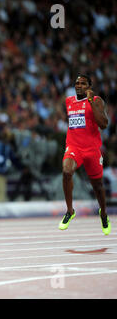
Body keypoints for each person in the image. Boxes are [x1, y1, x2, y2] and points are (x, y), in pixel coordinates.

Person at [59, 75, 110, 235]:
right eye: (77, 83)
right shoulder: (68, 102)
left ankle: (103, 214)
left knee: (97, 186)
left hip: (92, 149)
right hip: (74, 146)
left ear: (89, 86)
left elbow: (103, 124)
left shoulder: (96, 100)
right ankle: (69, 211)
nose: (79, 86)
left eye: (83, 83)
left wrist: (90, 102)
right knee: (67, 171)